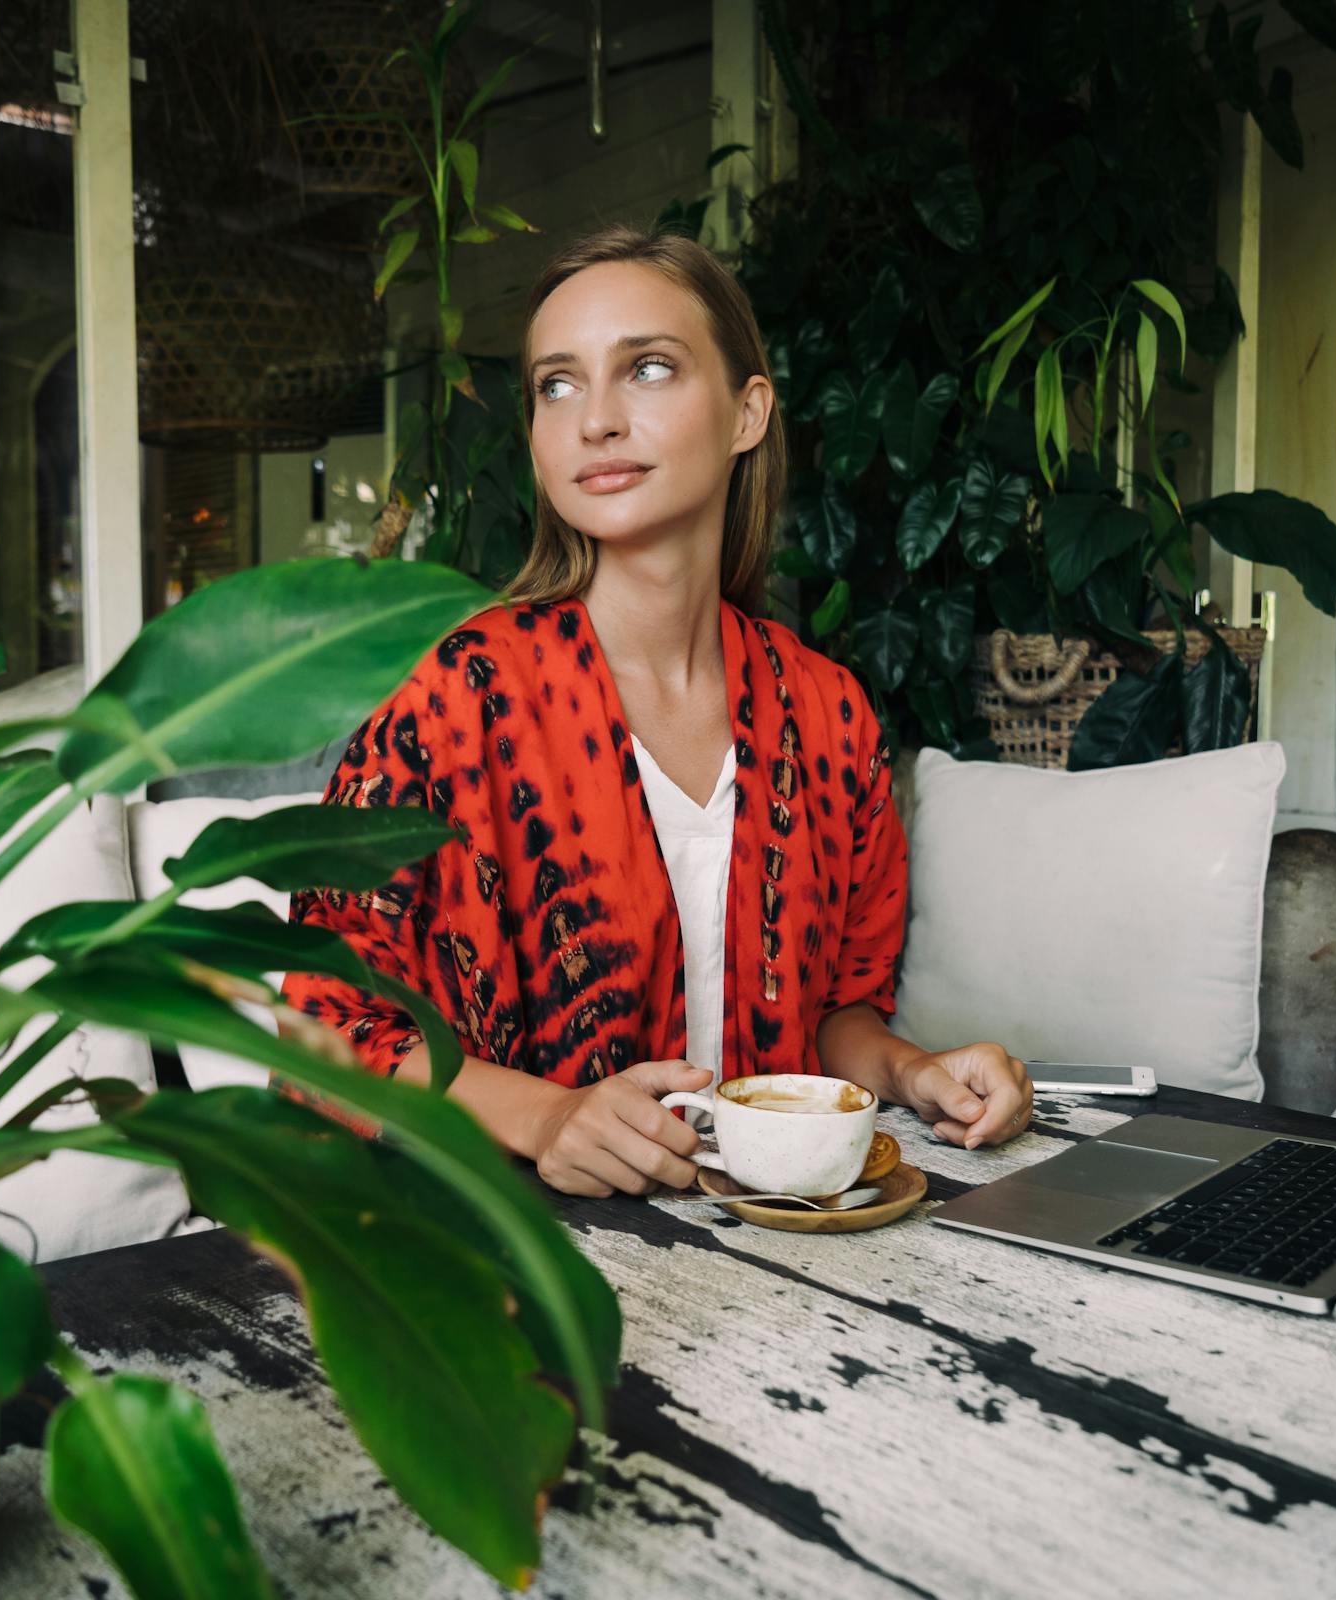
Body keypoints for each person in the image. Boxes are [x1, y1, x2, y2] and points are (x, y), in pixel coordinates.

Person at [283, 227, 1030, 1198]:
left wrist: (910, 1071)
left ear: (747, 410)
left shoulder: (830, 714)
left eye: (646, 368)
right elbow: (323, 1022)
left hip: (768, 1234)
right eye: (558, 384)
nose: (594, 419)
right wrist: (547, 1113)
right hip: (516, 1246)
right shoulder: (454, 694)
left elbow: (836, 1010)